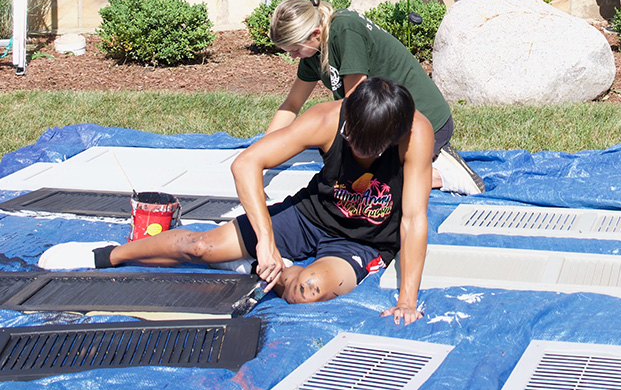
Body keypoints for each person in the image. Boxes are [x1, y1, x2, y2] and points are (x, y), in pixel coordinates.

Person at [39, 77, 431, 323]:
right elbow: (247, 163)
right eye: (351, 140)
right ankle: (107, 255)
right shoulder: (328, 118)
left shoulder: (414, 135)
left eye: (368, 148)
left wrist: (407, 300)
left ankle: (263, 271)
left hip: (360, 241)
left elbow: (413, 219)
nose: (356, 149)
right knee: (200, 246)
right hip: (308, 217)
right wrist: (266, 241)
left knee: (307, 289)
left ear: (392, 138)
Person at [268, 0, 484, 196]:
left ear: (315, 33)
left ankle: (444, 174)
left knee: (362, 185)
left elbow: (354, 103)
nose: (292, 56)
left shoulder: (345, 30)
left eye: (295, 49)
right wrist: (264, 151)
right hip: (382, 121)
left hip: (424, 122)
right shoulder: (312, 50)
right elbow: (292, 104)